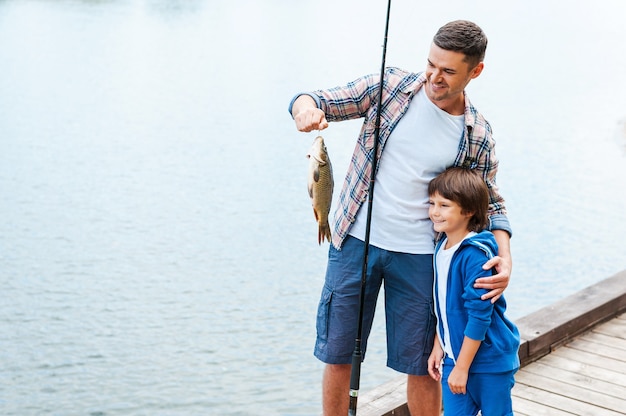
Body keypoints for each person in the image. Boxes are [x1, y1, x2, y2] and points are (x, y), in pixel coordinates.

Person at [288, 20, 513, 416]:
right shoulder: (390, 87)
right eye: (431, 63)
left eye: (448, 71)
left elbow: (491, 204)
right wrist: (305, 108)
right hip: (355, 242)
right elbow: (318, 98)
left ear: (475, 72)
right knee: (339, 353)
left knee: (424, 365)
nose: (434, 77)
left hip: (422, 258)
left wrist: (505, 257)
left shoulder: (477, 134)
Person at [426, 167, 520, 416]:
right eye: (432, 203)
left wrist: (462, 368)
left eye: (444, 205)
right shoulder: (442, 247)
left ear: (468, 211)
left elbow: (479, 316)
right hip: (454, 358)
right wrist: (440, 345)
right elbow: (444, 305)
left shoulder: (476, 256)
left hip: (488, 363)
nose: (435, 211)